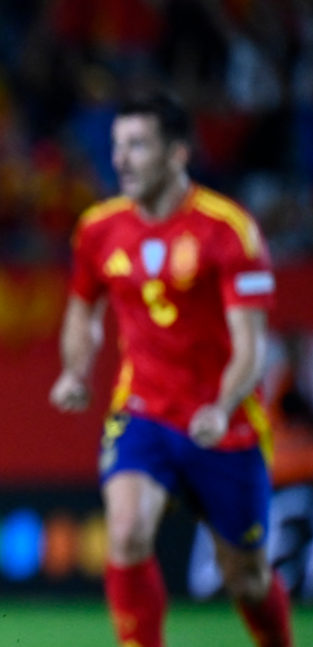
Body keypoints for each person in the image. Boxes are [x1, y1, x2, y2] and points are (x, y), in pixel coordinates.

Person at [49, 91, 292, 647]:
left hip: (223, 425)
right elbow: (83, 312)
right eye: (117, 145)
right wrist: (75, 371)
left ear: (177, 154)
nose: (122, 159)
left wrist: (222, 406)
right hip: (143, 413)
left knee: (246, 578)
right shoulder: (98, 229)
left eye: (138, 145)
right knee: (127, 531)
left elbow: (250, 345)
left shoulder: (228, 231)